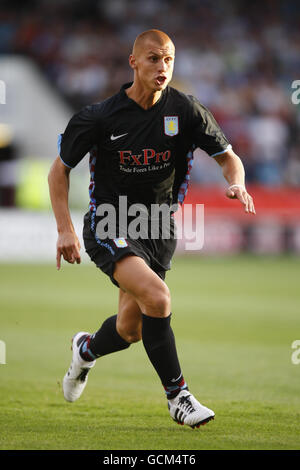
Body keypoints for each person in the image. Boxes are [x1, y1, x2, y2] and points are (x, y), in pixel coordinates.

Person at [48, 29, 255, 429]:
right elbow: (59, 172)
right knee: (158, 298)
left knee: (130, 328)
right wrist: (65, 229)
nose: (163, 67)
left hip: (158, 228)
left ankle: (85, 350)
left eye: (169, 60)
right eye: (154, 59)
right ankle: (178, 397)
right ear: (134, 62)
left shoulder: (187, 111)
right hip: (110, 222)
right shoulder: (100, 116)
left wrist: (237, 182)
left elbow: (229, 158)